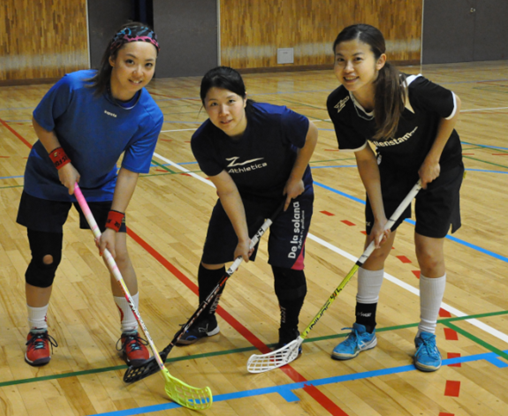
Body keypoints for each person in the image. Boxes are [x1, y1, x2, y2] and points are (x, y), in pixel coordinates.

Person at [16, 22, 163, 367]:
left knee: (119, 254)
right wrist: (61, 161)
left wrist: (112, 223)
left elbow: (129, 173)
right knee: (46, 258)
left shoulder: (149, 115)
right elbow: (42, 122)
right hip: (46, 178)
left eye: (148, 65)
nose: (139, 72)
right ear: (112, 58)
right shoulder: (75, 86)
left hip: (99, 184)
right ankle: (37, 331)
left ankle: (130, 332)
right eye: (130, 61)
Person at [326, 24, 464, 372]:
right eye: (340, 60)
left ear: (380, 60)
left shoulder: (408, 89)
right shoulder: (340, 104)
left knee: (428, 251)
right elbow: (366, 160)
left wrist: (433, 158)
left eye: (358, 59)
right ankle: (364, 329)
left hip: (441, 165)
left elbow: (452, 107)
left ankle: (427, 336)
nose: (348, 68)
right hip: (394, 169)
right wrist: (379, 216)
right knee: (376, 243)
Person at [178, 66, 318, 351]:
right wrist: (243, 239)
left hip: (289, 194)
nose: (223, 112)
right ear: (204, 107)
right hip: (245, 195)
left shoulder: (276, 119)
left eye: (230, 101)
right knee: (213, 257)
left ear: (244, 98)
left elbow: (311, 134)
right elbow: (227, 190)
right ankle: (206, 319)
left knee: (286, 263)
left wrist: (295, 178)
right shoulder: (203, 142)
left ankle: (289, 329)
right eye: (213, 105)